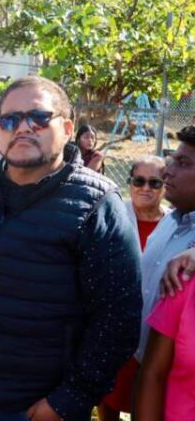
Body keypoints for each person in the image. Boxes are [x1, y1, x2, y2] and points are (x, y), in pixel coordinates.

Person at [0, 76, 142, 421]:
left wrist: (70, 399)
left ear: (67, 128)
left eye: (37, 117)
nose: (22, 128)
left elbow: (117, 318)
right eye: (10, 119)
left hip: (38, 408)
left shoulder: (98, 204)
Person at [97, 155, 168, 421]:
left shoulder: (177, 225)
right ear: (129, 182)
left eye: (154, 182)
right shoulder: (112, 214)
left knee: (146, 401)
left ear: (165, 185)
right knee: (108, 396)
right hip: (111, 327)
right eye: (139, 180)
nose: (145, 187)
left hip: (154, 333)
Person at [134, 126, 195, 420]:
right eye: (172, 159)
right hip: (140, 366)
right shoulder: (170, 220)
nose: (167, 171)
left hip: (176, 391)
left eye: (184, 164)